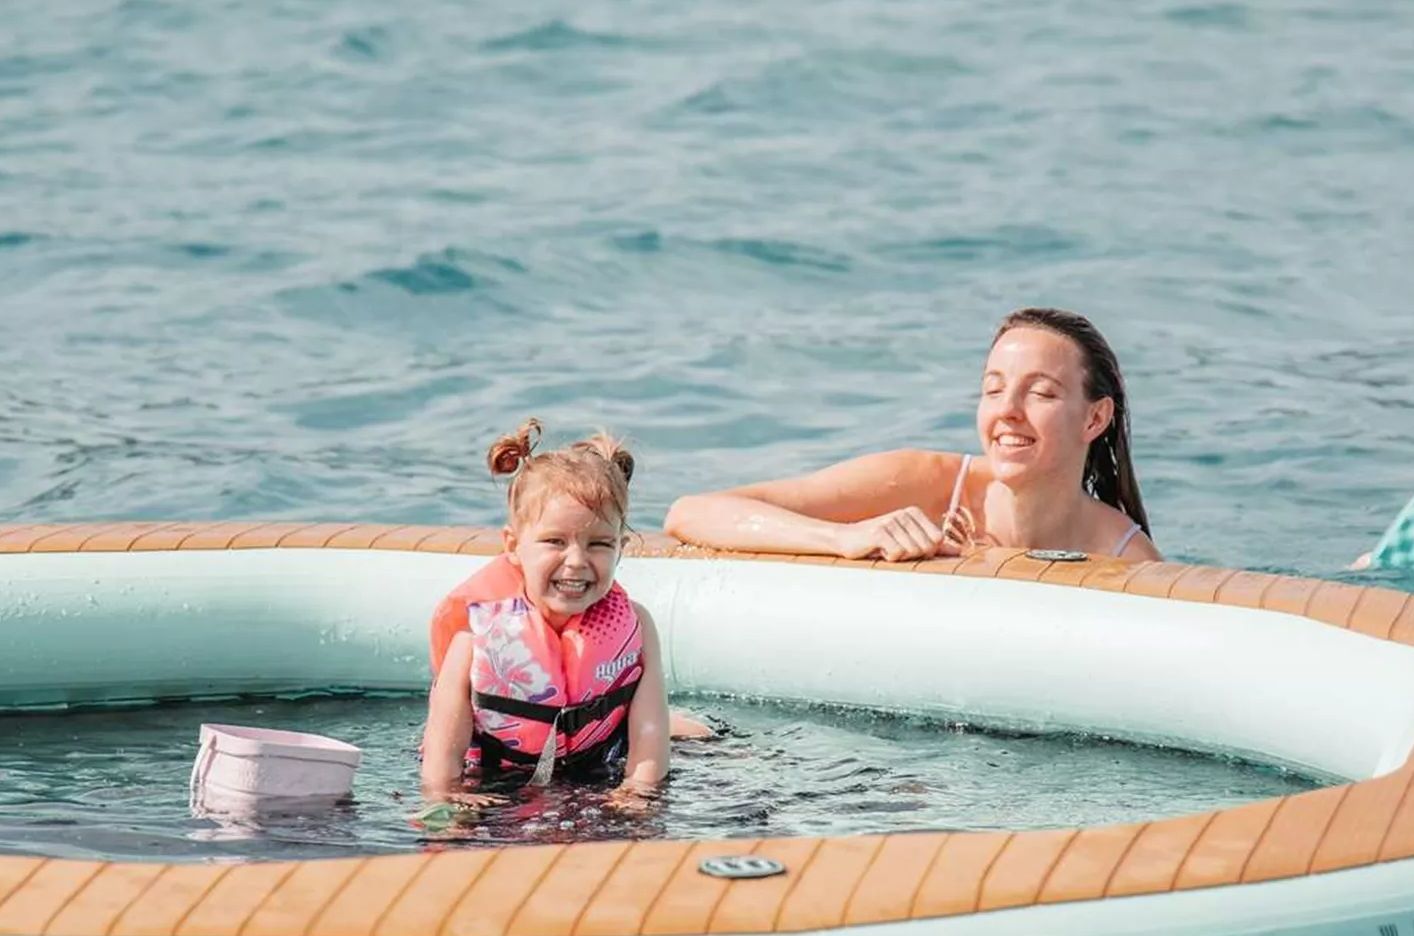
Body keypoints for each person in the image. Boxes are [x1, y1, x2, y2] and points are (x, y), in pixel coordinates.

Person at [664, 307, 1159, 564]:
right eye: (993, 389)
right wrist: (846, 537)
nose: (1007, 411)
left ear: (1095, 419)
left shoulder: (1122, 555)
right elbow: (692, 512)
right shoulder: (923, 483)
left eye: (1041, 393)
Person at [421, 420, 671, 800]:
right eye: (555, 541)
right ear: (513, 546)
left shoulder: (637, 627)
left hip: (596, 771)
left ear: (621, 547)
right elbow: (442, 754)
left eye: (599, 544)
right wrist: (446, 798)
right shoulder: (475, 637)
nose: (577, 561)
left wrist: (637, 793)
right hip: (495, 780)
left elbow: (650, 739)